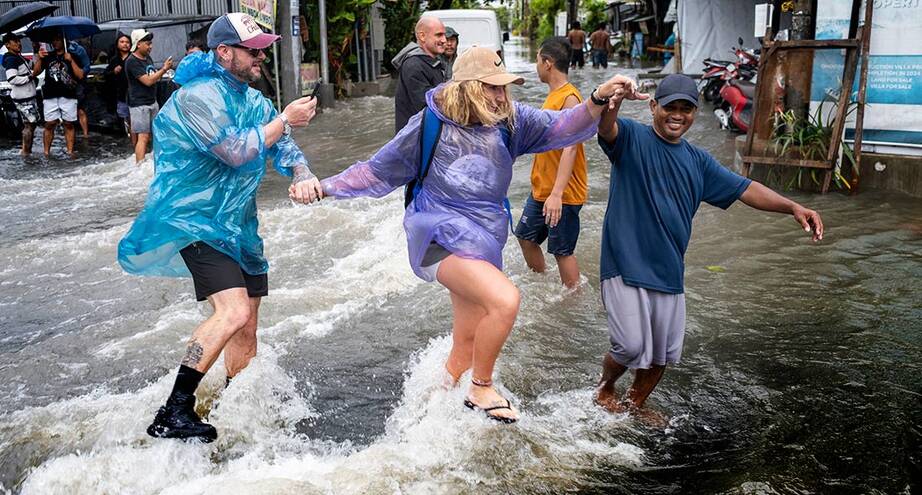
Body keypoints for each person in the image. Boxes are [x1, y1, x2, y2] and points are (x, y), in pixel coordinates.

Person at [320, 47, 631, 423]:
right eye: (492, 88)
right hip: (436, 238)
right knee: (504, 299)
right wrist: (323, 187)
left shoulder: (509, 122)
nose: (502, 96)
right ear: (466, 88)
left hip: (482, 241)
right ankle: (480, 387)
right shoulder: (427, 125)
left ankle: (427, 417)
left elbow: (561, 125)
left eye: (505, 88)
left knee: (465, 346)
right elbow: (375, 172)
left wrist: (599, 97)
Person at [117, 13, 323, 442]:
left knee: (247, 326)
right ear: (225, 52)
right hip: (195, 222)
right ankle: (173, 410)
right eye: (254, 50)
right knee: (233, 311)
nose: (261, 57)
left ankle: (235, 409)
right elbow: (234, 150)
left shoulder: (253, 100)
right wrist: (285, 119)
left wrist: (302, 173)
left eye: (263, 49)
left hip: (240, 227)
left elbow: (283, 147)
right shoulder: (198, 97)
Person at [593, 74, 825, 423]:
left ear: (694, 114)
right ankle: (605, 388)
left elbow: (745, 188)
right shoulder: (631, 137)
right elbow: (605, 128)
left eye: (686, 109)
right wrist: (614, 100)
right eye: (671, 107)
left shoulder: (698, 161)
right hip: (624, 264)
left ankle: (634, 406)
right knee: (629, 346)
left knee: (661, 356)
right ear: (654, 106)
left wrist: (793, 207)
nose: (678, 115)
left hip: (669, 271)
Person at [514, 37, 588, 289]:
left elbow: (570, 148)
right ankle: (543, 284)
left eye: (537, 59)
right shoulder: (553, 96)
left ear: (548, 63)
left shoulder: (570, 99)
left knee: (562, 250)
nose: (536, 65)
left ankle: (574, 300)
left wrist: (557, 194)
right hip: (542, 189)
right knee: (524, 237)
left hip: (562, 193)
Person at [33, 31, 84, 157]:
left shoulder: (72, 56)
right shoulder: (48, 56)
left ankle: (70, 151)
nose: (55, 42)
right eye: (53, 40)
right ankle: (46, 152)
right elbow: (35, 72)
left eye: (58, 39)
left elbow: (80, 75)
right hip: (50, 95)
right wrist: (39, 58)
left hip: (68, 95)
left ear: (64, 41)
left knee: (69, 123)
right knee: (50, 124)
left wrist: (71, 61)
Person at [391, 15, 446, 133]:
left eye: (444, 35)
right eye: (439, 35)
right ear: (422, 36)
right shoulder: (414, 65)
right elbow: (428, 105)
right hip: (415, 140)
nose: (444, 40)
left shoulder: (433, 62)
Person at [125, 29, 173, 164]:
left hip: (152, 101)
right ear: (138, 44)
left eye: (151, 43)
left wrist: (162, 73)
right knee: (143, 136)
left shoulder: (147, 58)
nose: (150, 46)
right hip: (139, 104)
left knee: (157, 133)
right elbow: (148, 81)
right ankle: (139, 166)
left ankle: (154, 161)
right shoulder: (132, 61)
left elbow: (153, 75)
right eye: (147, 44)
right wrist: (164, 69)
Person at [2, 33, 40, 155]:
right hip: (23, 98)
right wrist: (30, 77)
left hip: (29, 96)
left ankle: (26, 149)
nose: (19, 43)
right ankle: (25, 152)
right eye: (15, 41)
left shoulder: (18, 57)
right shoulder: (11, 59)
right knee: (29, 124)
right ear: (7, 45)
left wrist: (35, 50)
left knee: (31, 124)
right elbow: (12, 79)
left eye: (19, 41)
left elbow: (33, 66)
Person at [104, 32, 132, 138]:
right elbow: (106, 75)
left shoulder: (133, 58)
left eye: (127, 42)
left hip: (134, 94)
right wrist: (114, 71)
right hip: (120, 94)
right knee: (123, 117)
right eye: (122, 42)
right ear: (117, 44)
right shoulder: (114, 60)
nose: (125, 44)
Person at [70, 40, 91, 138]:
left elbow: (87, 67)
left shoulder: (78, 50)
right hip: (64, 86)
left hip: (79, 84)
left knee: (81, 109)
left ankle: (85, 134)